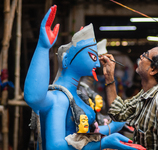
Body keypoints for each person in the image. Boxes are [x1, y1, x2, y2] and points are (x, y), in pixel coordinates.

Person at [24, 5, 139, 150]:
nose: (97, 63)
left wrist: (116, 126)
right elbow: (55, 146)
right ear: (66, 60)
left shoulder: (76, 96)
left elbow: (84, 134)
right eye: (92, 56)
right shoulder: (60, 98)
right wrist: (43, 47)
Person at [99, 43, 158, 149]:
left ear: (153, 70)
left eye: (145, 55)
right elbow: (118, 113)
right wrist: (109, 76)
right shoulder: (145, 95)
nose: (141, 56)